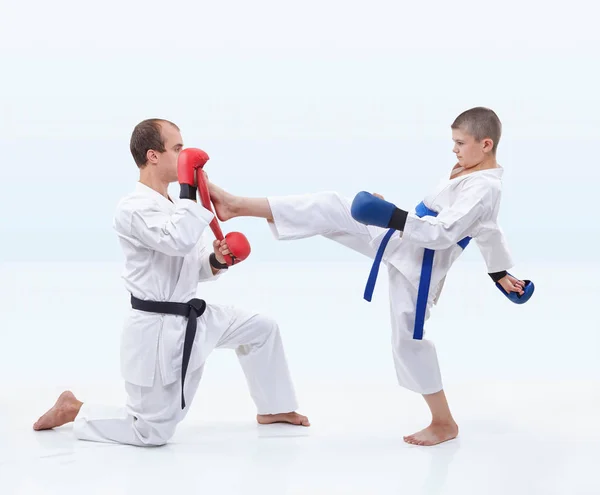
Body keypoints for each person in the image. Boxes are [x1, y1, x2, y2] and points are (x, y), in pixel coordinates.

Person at [206, 107, 528, 446]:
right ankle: (235, 205)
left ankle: (444, 422)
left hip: (420, 266)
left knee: (409, 341)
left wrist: (391, 216)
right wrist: (500, 271)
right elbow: (487, 230)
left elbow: (445, 233)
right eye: (454, 142)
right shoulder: (468, 169)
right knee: (331, 206)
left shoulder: (484, 189)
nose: (454, 149)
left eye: (460, 143)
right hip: (400, 240)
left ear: (487, 144)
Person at [32, 118, 309, 446]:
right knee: (149, 432)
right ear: (153, 155)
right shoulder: (131, 208)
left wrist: (218, 260)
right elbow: (175, 241)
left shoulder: (177, 207)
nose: (184, 156)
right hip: (158, 328)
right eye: (177, 148)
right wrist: (189, 190)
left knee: (262, 329)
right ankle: (76, 409)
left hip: (195, 313)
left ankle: (274, 408)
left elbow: (193, 267)